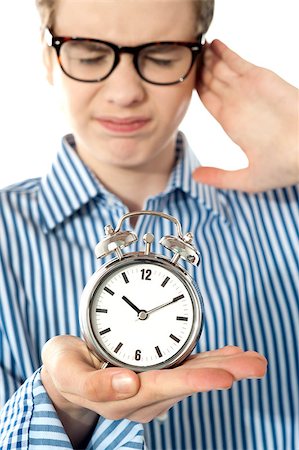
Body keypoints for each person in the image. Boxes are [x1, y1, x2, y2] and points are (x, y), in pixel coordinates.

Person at [0, 0, 298, 449]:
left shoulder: (290, 210)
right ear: (50, 59)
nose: (124, 92)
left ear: (199, 63)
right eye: (88, 55)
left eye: (160, 56)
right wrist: (63, 409)